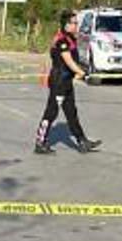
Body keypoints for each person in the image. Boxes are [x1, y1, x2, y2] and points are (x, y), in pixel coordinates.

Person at [34, 10, 101, 155]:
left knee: (71, 113)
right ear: (65, 24)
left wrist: (79, 72)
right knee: (51, 112)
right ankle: (40, 142)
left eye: (77, 23)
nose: (77, 25)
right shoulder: (62, 40)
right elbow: (68, 61)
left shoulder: (70, 38)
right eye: (74, 23)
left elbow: (74, 61)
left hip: (66, 81)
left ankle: (82, 141)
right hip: (59, 81)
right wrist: (81, 73)